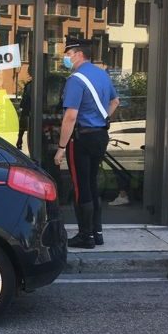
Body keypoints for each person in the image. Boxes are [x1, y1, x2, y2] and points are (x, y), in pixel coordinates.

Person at [53, 37, 120, 249]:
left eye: (69, 53)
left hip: (81, 138)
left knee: (81, 188)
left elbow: (70, 116)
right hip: (100, 135)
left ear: (79, 53)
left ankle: (85, 236)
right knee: (92, 183)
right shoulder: (102, 74)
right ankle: (97, 233)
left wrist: (61, 148)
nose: (66, 57)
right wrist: (102, 119)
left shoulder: (76, 79)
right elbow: (115, 101)